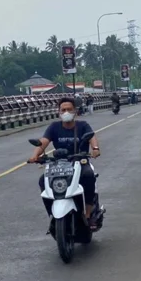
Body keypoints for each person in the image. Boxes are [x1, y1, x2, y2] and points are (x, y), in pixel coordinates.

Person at [27, 97, 103, 230]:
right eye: (63, 110)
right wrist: (35, 156)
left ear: (75, 111)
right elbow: (44, 141)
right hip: (60, 165)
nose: (66, 112)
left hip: (80, 162)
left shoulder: (83, 125)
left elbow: (92, 137)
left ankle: (88, 214)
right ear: (59, 112)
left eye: (69, 109)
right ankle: (53, 216)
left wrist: (95, 149)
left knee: (89, 176)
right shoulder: (54, 127)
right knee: (42, 181)